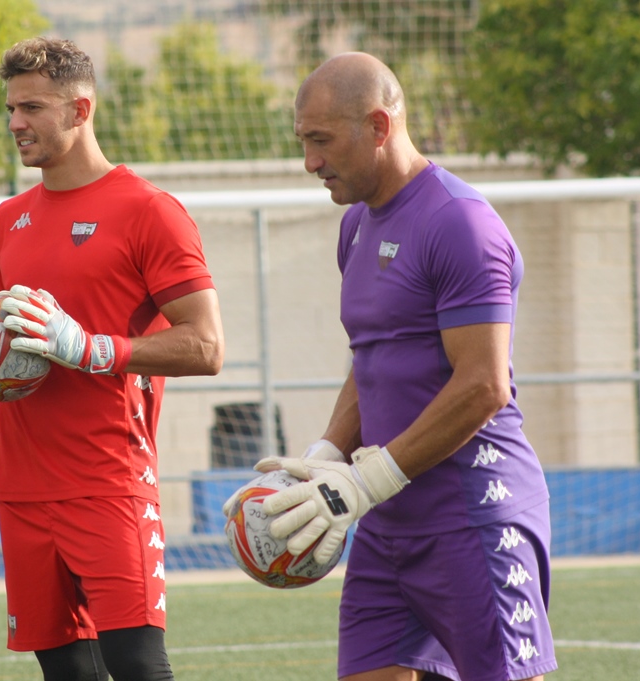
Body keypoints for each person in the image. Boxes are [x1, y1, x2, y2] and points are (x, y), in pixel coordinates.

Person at [238, 53, 557, 681]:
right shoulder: (355, 225)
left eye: (321, 141)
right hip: (387, 526)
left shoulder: (460, 223)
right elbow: (375, 354)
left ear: (379, 127)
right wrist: (329, 455)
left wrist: (366, 480)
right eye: (304, 142)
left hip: (473, 518)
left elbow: (484, 385)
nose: (310, 162)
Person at [0, 37, 224, 681]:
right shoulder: (8, 219)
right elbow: (14, 352)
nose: (15, 123)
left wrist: (89, 348)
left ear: (80, 110)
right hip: (20, 482)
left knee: (137, 665)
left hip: (108, 480)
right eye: (11, 108)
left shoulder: (151, 211)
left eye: (32, 107)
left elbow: (206, 345)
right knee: (66, 671)